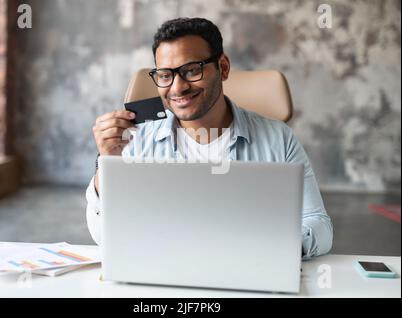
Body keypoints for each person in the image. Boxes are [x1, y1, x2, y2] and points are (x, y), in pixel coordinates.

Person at [86, 17, 333, 260]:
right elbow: (103, 236)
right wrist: (107, 162)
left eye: (192, 70)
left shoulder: (278, 139)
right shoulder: (135, 140)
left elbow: (319, 226)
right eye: (165, 75)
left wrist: (267, 250)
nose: (177, 87)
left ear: (223, 67)